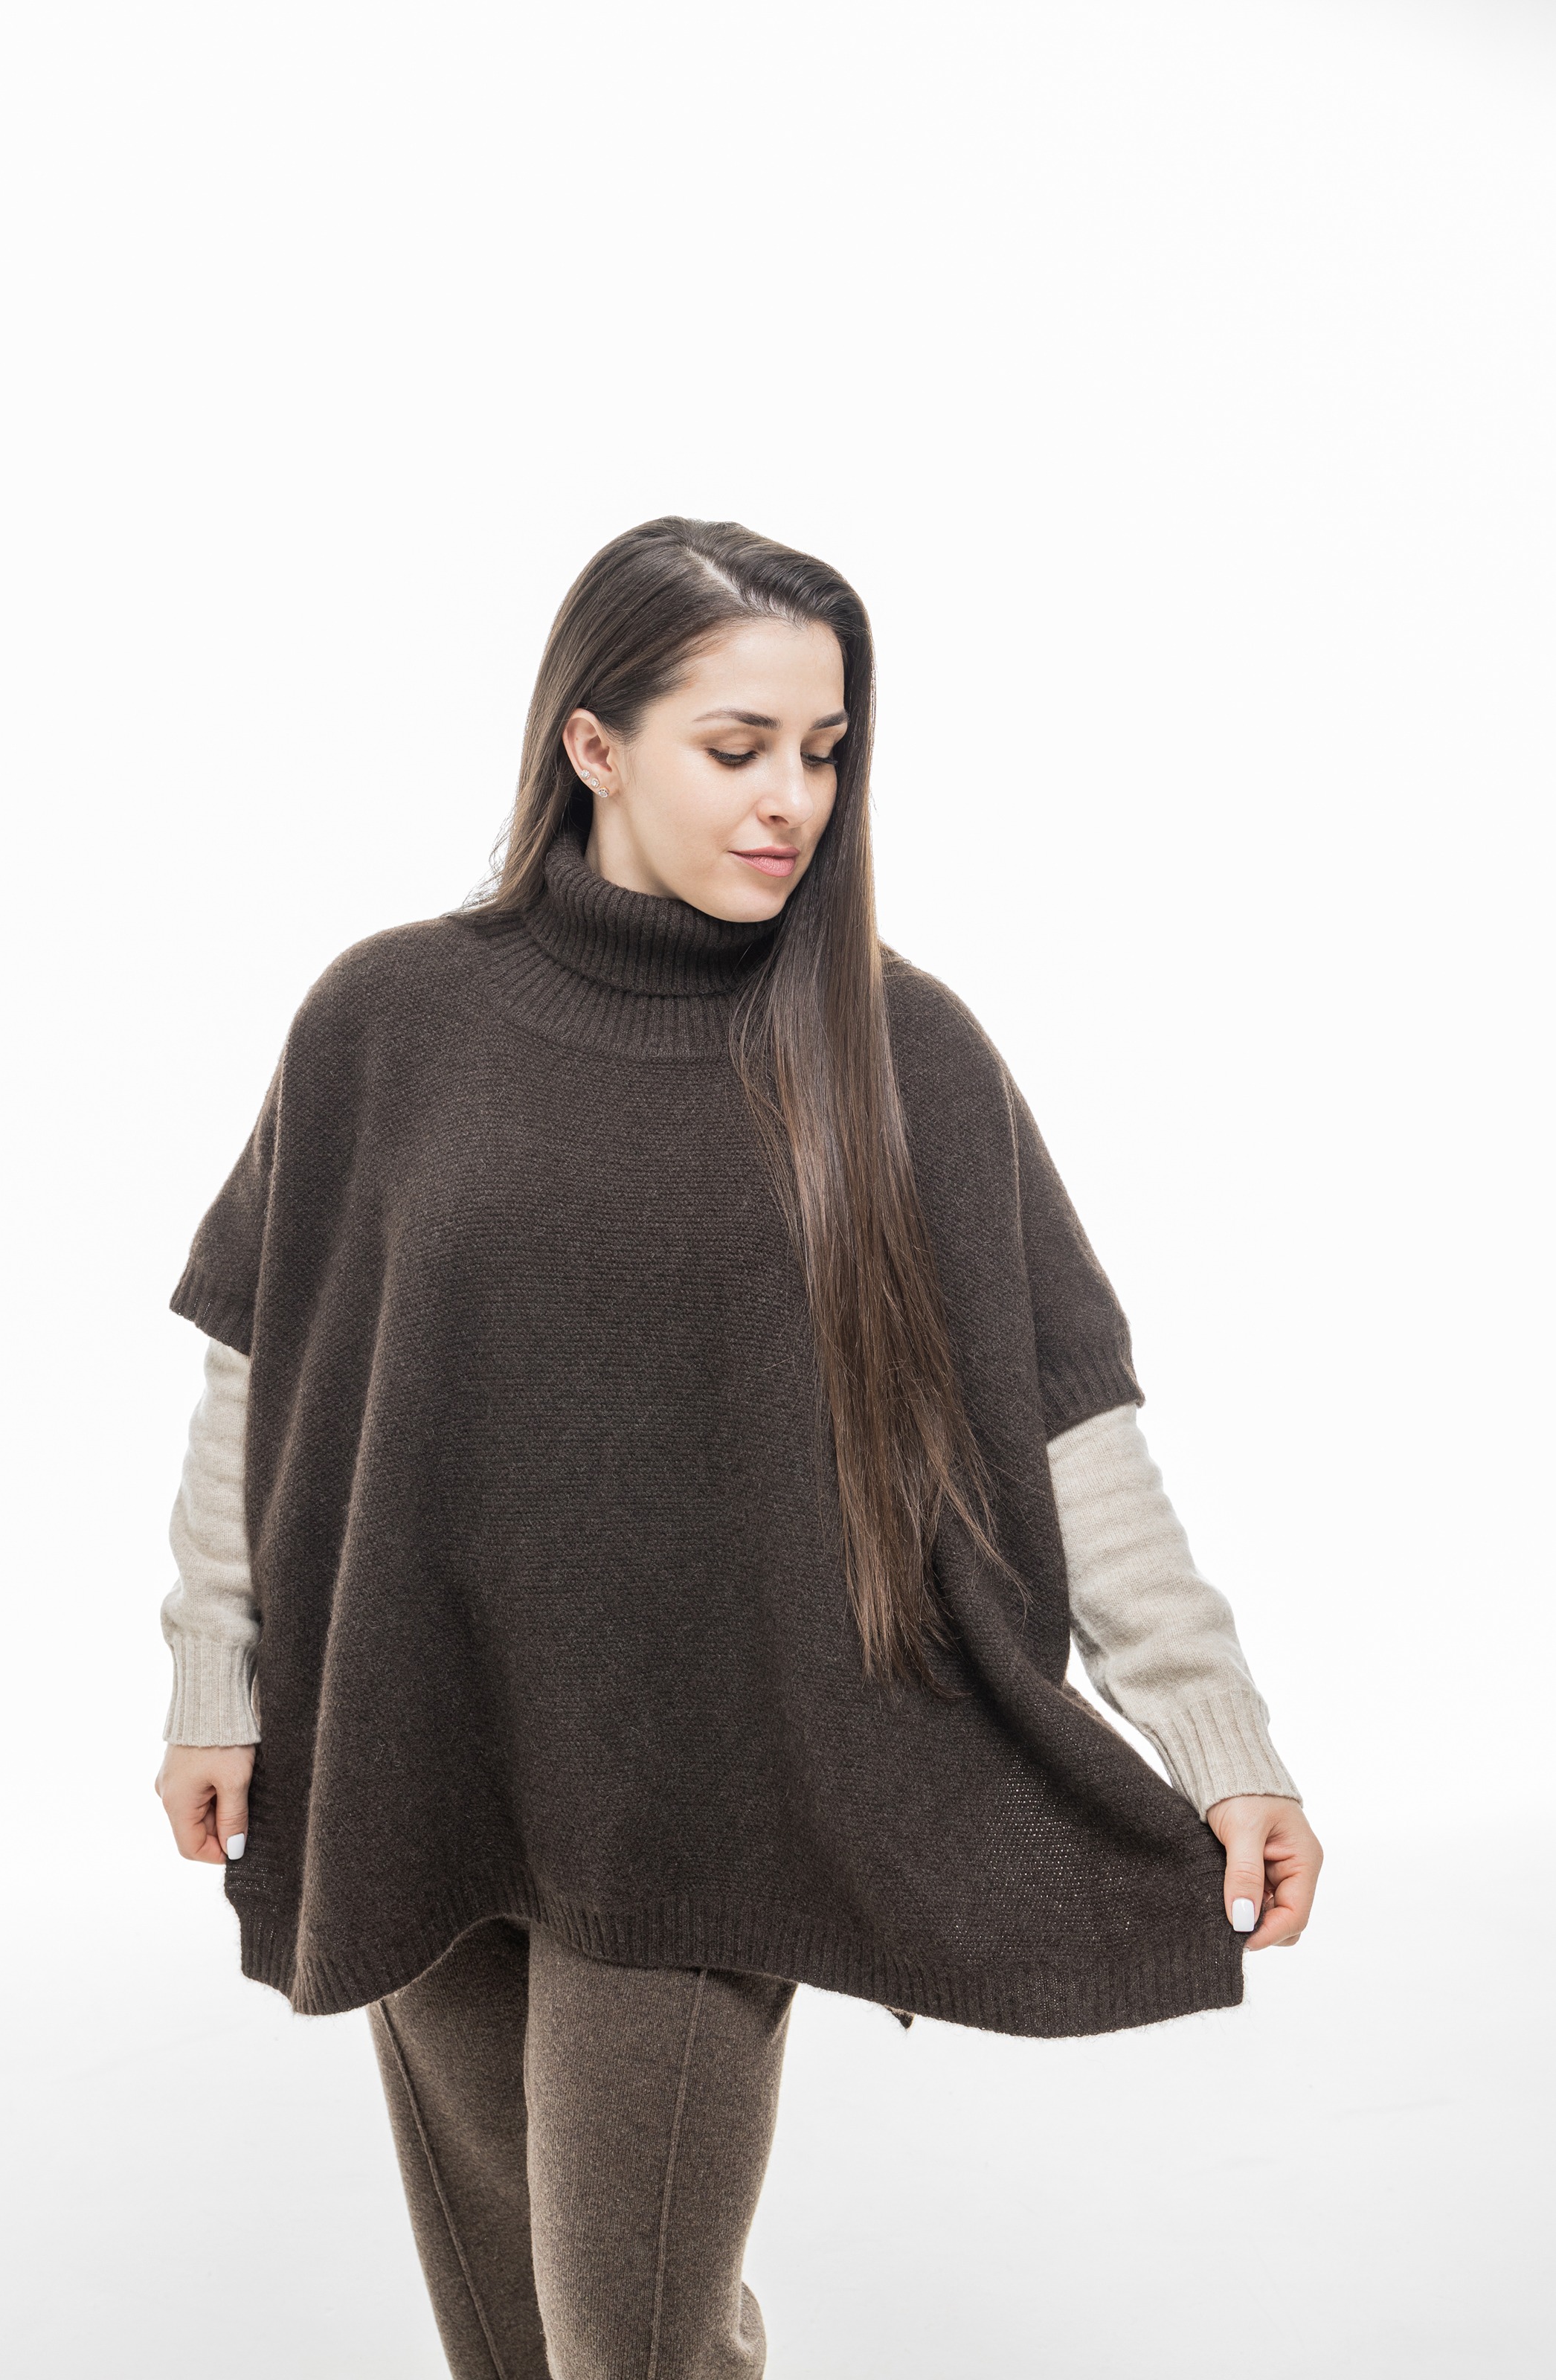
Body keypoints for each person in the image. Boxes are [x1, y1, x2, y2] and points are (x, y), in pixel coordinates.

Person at [154, 515, 1322, 2379]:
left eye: (825, 749)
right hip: (417, 1747)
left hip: (712, 1789)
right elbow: (263, 1376)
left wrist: (1214, 1729)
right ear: (592, 745)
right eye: (737, 746)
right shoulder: (388, 1020)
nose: (793, 799)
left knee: (629, 2345)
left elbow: (1059, 1418)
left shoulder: (895, 1048)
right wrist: (216, 1680)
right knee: (510, 2346)